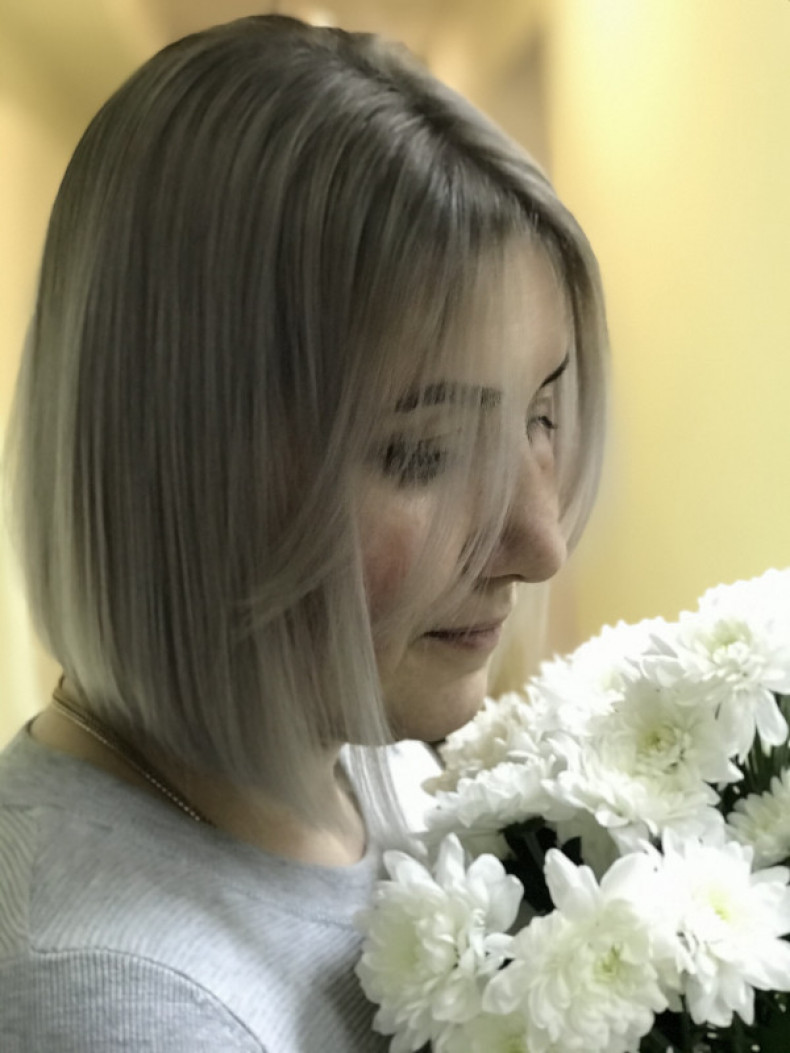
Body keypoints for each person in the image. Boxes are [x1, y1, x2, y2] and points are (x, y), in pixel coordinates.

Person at [0, 13, 607, 1052]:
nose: (538, 543)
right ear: (181, 468)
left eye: (539, 417)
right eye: (427, 453)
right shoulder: (114, 999)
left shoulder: (368, 772)